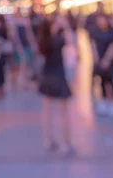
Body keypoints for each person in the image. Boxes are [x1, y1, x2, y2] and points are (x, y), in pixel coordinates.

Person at [38, 16, 73, 155]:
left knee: (47, 110)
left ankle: (48, 139)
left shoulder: (43, 41)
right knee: (63, 111)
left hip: (47, 76)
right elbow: (71, 41)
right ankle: (65, 143)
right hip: (59, 76)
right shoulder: (58, 41)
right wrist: (66, 26)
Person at [90, 14, 113, 116]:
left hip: (109, 62)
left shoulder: (112, 33)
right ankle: (103, 101)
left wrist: (106, 60)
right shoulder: (95, 32)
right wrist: (96, 58)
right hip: (99, 60)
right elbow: (93, 45)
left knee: (111, 82)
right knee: (102, 82)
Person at [0, 14, 16, 100]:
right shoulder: (5, 28)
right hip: (3, 53)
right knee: (0, 71)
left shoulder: (1, 29)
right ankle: (0, 89)